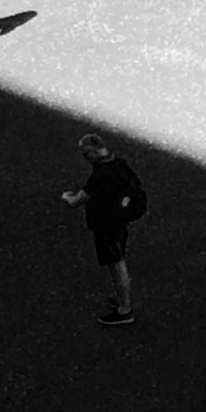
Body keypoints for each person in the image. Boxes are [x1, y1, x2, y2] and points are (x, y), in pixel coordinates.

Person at [60, 133, 142, 326]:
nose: (86, 159)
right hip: (120, 221)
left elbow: (76, 201)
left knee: (116, 264)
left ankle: (124, 309)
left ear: (93, 152)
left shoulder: (100, 175)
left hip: (107, 226)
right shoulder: (119, 164)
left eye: (85, 154)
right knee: (117, 259)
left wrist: (66, 197)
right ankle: (121, 297)